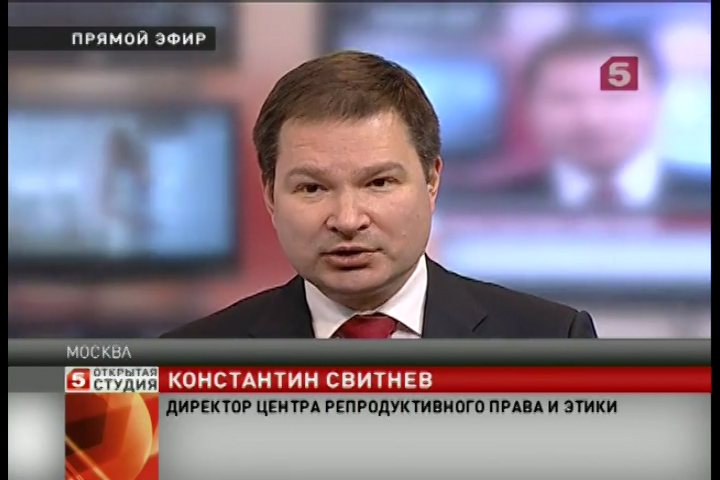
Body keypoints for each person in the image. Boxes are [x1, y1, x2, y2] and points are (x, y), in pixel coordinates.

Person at [162, 51, 598, 339]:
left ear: (431, 181)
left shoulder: (551, 340)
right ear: (270, 196)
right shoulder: (183, 362)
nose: (347, 219)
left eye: (379, 183)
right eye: (312, 187)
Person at [488, 30, 710, 211]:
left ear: (658, 101)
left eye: (616, 98)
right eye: (566, 98)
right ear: (528, 107)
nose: (593, 118)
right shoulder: (490, 207)